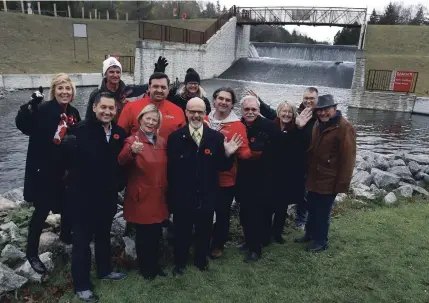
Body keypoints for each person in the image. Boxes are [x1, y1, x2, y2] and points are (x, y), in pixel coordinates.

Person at [167, 97, 243, 276]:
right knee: (182, 231)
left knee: (204, 229)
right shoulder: (175, 137)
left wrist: (228, 154)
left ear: (204, 114)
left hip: (207, 194)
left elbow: (221, 167)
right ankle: (180, 263)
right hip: (183, 195)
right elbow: (171, 170)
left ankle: (201, 260)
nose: (195, 115)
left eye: (199, 112)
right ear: (186, 113)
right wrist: (172, 196)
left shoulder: (215, 137)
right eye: (192, 111)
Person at [63, 92, 127, 302]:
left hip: (107, 196)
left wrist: (119, 184)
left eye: (111, 108)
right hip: (81, 198)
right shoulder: (79, 131)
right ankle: (82, 285)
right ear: (94, 108)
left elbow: (120, 163)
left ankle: (104, 270)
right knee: (81, 242)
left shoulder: (118, 133)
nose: (107, 112)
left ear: (116, 110)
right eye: (103, 108)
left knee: (103, 236)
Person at [15, 73, 81, 275]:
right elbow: (24, 126)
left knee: (69, 203)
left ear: (72, 92)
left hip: (65, 170)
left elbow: (79, 135)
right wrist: (28, 108)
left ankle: (66, 235)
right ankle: (32, 253)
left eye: (68, 88)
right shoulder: (43, 110)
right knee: (41, 211)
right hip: (44, 169)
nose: (64, 92)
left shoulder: (74, 113)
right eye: (60, 88)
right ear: (54, 91)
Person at [247, 87, 319, 230]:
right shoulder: (271, 125)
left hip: (292, 170)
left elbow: (301, 144)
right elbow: (270, 113)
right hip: (271, 170)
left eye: (312, 98)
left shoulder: (301, 125)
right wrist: (258, 102)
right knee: (268, 201)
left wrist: (299, 128)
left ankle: (284, 229)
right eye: (306, 98)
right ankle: (266, 230)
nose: (286, 114)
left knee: (284, 202)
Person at [294, 94, 356, 252]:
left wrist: (341, 185)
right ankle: (309, 234)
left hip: (329, 180)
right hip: (313, 176)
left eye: (326, 110)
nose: (322, 113)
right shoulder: (318, 123)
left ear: (334, 109)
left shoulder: (344, 127)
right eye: (320, 110)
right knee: (312, 208)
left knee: (322, 212)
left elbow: (348, 159)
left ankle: (321, 241)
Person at [118, 104, 168, 280]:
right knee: (144, 235)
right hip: (142, 195)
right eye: (148, 118)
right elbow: (121, 160)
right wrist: (131, 152)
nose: (151, 122)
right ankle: (145, 268)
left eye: (155, 120)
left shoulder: (161, 141)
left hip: (158, 195)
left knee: (156, 233)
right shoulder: (132, 141)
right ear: (140, 119)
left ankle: (155, 265)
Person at [204, 87, 252, 259]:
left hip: (225, 178)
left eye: (228, 100)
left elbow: (246, 153)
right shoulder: (204, 120)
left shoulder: (237, 125)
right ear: (214, 100)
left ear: (232, 105)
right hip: (204, 177)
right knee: (205, 211)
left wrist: (234, 150)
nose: (223, 102)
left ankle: (218, 244)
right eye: (220, 98)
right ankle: (204, 241)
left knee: (222, 212)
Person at [236, 96, 281, 262]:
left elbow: (280, 153)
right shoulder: (238, 125)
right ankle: (248, 242)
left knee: (256, 215)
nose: (250, 112)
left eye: (253, 109)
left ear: (259, 110)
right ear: (242, 111)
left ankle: (256, 249)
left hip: (262, 178)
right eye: (247, 109)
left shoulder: (269, 127)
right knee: (245, 213)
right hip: (242, 177)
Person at [85, 56, 171, 120]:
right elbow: (88, 118)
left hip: (122, 130)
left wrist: (157, 74)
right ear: (105, 74)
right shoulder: (97, 94)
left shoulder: (127, 91)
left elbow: (146, 87)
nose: (115, 75)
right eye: (111, 72)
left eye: (118, 72)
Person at [118, 72, 186, 139]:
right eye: (155, 86)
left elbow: (183, 139)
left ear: (168, 90)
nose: (159, 90)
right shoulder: (131, 107)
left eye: (163, 87)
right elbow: (120, 136)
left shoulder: (178, 111)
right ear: (149, 88)